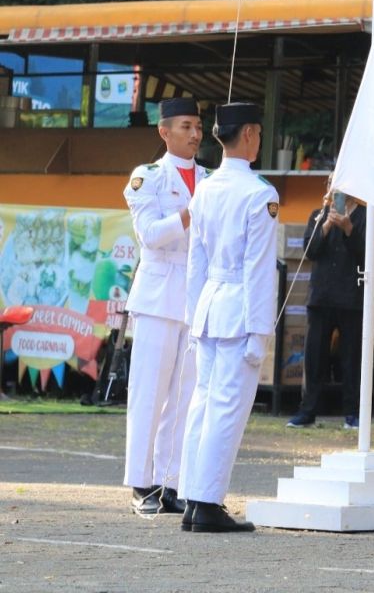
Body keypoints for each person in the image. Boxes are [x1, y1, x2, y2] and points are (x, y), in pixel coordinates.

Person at [179, 102, 278, 533]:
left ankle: (191, 498)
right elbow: (259, 270)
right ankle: (207, 502)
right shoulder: (260, 194)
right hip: (238, 310)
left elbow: (194, 262)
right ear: (251, 135)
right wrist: (261, 332)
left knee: (202, 404)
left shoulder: (206, 189)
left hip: (208, 307)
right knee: (225, 409)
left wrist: (190, 316)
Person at [122, 98, 207, 516]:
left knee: (184, 395)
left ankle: (169, 481)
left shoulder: (211, 177)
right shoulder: (148, 176)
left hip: (193, 295)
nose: (195, 134)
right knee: (148, 391)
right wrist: (190, 214)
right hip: (158, 294)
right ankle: (141, 482)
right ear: (165, 131)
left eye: (198, 126)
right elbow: (151, 235)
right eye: (186, 126)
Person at [285, 182, 365, 429]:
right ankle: (307, 411)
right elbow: (310, 250)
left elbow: (365, 252)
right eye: (332, 184)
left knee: (350, 357)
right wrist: (328, 225)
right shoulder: (318, 214)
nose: (336, 189)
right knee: (314, 357)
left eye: (341, 183)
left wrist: (349, 228)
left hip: (350, 296)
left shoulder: (363, 216)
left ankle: (352, 412)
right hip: (320, 296)